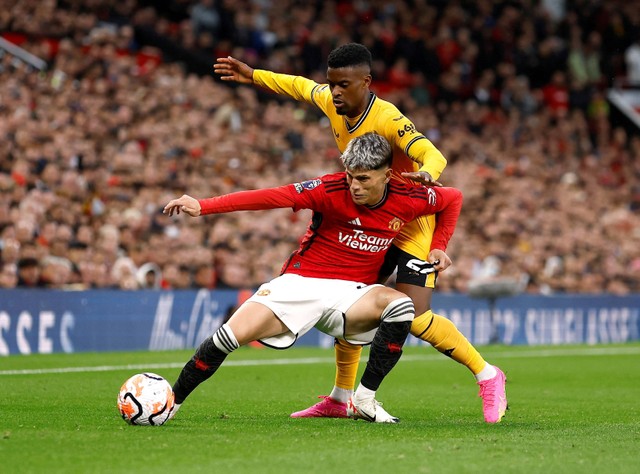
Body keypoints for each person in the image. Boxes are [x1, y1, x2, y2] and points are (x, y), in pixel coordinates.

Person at [214, 43, 508, 422]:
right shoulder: (331, 101)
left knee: (414, 317)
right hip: (371, 222)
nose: (335, 92)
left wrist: (428, 176)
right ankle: (340, 398)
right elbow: (299, 86)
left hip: (410, 224)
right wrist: (252, 76)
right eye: (332, 83)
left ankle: (487, 374)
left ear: (366, 83)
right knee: (348, 301)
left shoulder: (388, 118)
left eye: (344, 85)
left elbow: (433, 154)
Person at [163, 133, 463, 423]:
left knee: (402, 307)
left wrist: (438, 246)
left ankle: (364, 399)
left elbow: (453, 199)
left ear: (387, 175)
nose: (354, 186)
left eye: (363, 179)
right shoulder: (329, 189)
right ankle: (169, 404)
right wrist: (204, 205)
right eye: (350, 176)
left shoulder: (409, 197)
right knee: (227, 337)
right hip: (301, 283)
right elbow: (269, 197)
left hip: (353, 295)